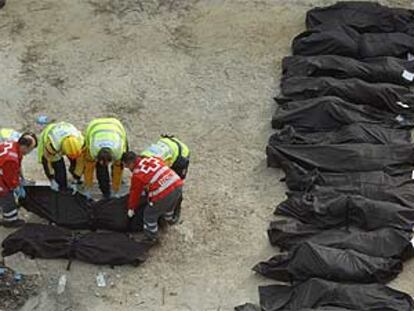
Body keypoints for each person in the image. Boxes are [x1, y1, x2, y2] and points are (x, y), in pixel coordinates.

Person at [122, 151, 183, 242]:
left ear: (131, 163)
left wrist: (131, 208)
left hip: (163, 193)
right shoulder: (152, 158)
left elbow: (135, 193)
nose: (127, 168)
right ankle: (169, 220)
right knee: (170, 205)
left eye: (127, 166)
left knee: (149, 214)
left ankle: (151, 236)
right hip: (177, 184)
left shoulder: (137, 174)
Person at [83, 118, 128, 199]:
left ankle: (114, 187)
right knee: (101, 171)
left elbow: (118, 170)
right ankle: (105, 191)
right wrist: (88, 189)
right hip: (94, 127)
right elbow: (88, 169)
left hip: (116, 127)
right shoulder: (93, 150)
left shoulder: (118, 152)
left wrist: (115, 191)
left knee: (119, 167)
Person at [0, 133, 37, 227]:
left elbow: (18, 166)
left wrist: (22, 178)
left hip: (3, 167)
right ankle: (10, 220)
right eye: (30, 150)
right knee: (6, 195)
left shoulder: (14, 145)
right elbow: (10, 180)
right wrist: (16, 187)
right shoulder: (11, 159)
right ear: (25, 147)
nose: (29, 152)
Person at [38, 122, 84, 191]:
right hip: (50, 136)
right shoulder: (52, 146)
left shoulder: (80, 142)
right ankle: (61, 188)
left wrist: (76, 179)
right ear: (63, 150)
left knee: (76, 163)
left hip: (65, 129)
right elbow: (47, 162)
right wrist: (51, 178)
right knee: (59, 170)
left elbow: (80, 163)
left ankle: (74, 178)